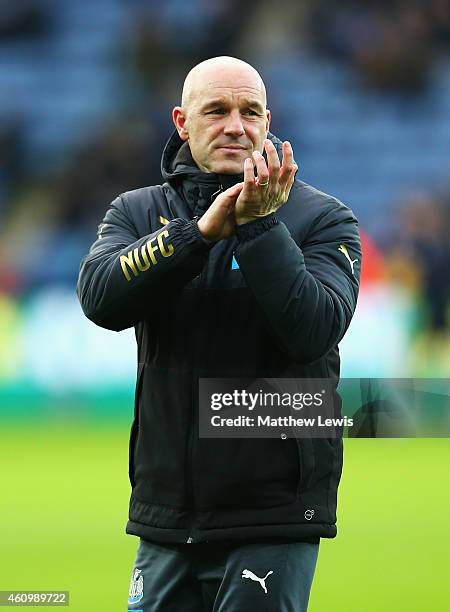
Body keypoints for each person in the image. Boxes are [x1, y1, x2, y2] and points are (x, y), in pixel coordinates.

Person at [77, 56, 361, 612]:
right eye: (217, 110)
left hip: (273, 516)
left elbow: (315, 330)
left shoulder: (322, 220)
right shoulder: (138, 212)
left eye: (249, 111)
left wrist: (260, 227)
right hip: (166, 514)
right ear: (182, 122)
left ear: (267, 120)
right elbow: (101, 299)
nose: (236, 125)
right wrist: (197, 235)